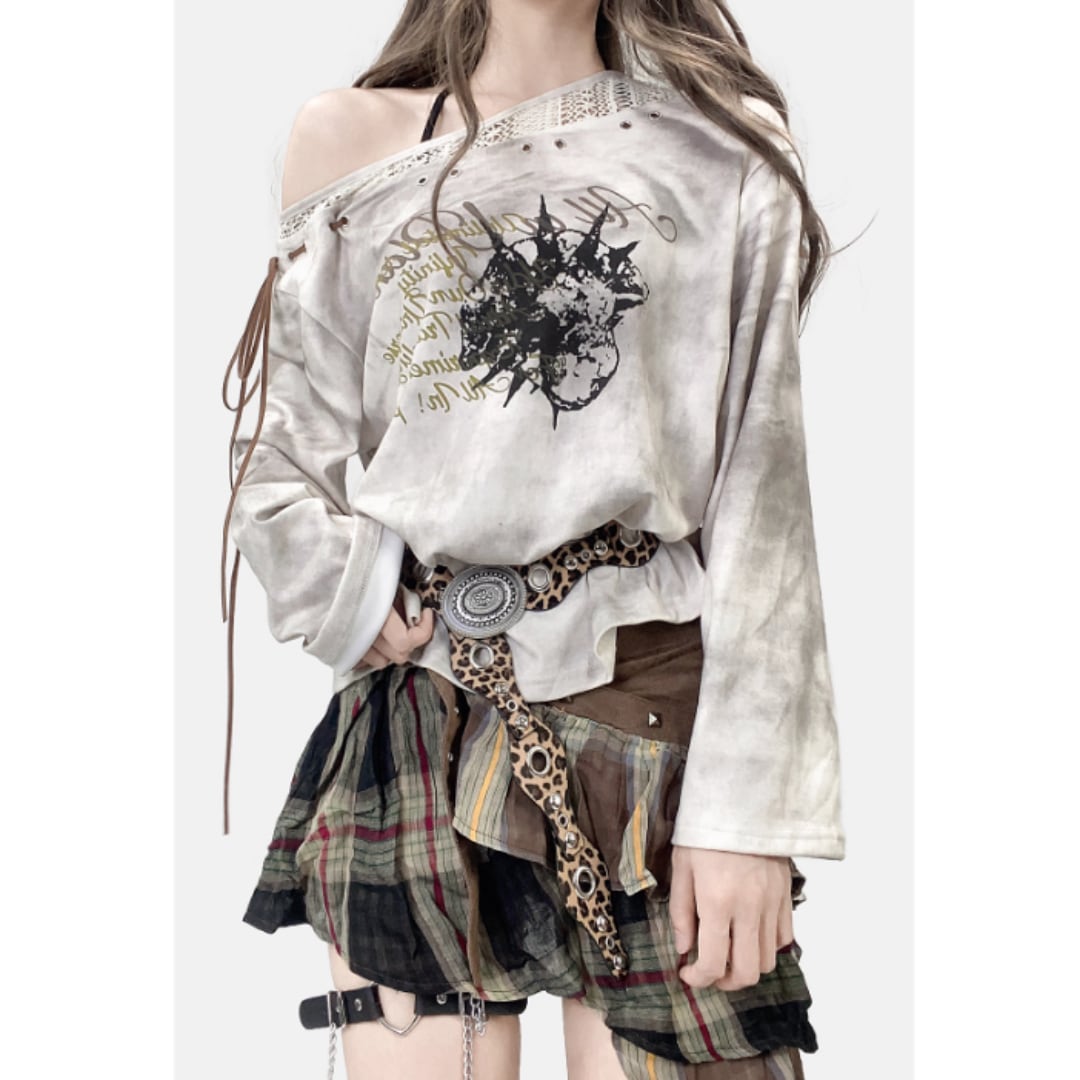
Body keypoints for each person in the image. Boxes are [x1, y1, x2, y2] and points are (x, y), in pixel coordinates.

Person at [219, 2, 847, 1078]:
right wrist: (353, 594)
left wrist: (748, 812)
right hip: (422, 712)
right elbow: (273, 463)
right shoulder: (352, 139)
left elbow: (765, 504)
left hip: (651, 711)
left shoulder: (724, 146)